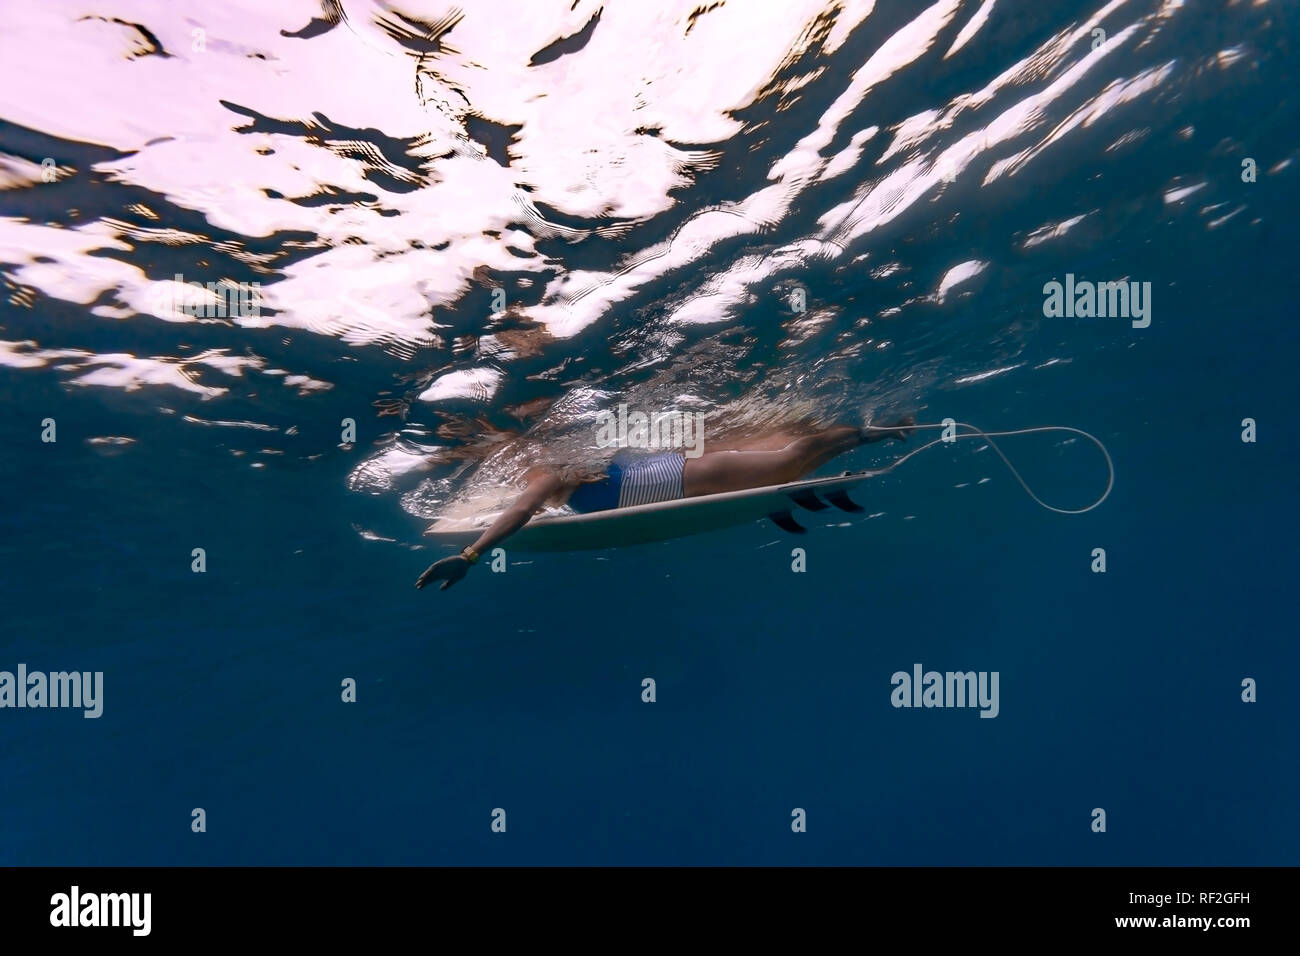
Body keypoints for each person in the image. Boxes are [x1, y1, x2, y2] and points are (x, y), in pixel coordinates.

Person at [415, 416, 915, 590]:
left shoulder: (547, 471)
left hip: (692, 475)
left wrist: (470, 555)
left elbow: (522, 511)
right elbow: (527, 509)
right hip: (686, 478)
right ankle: (788, 494)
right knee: (786, 466)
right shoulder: (557, 470)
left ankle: (874, 432)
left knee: (790, 461)